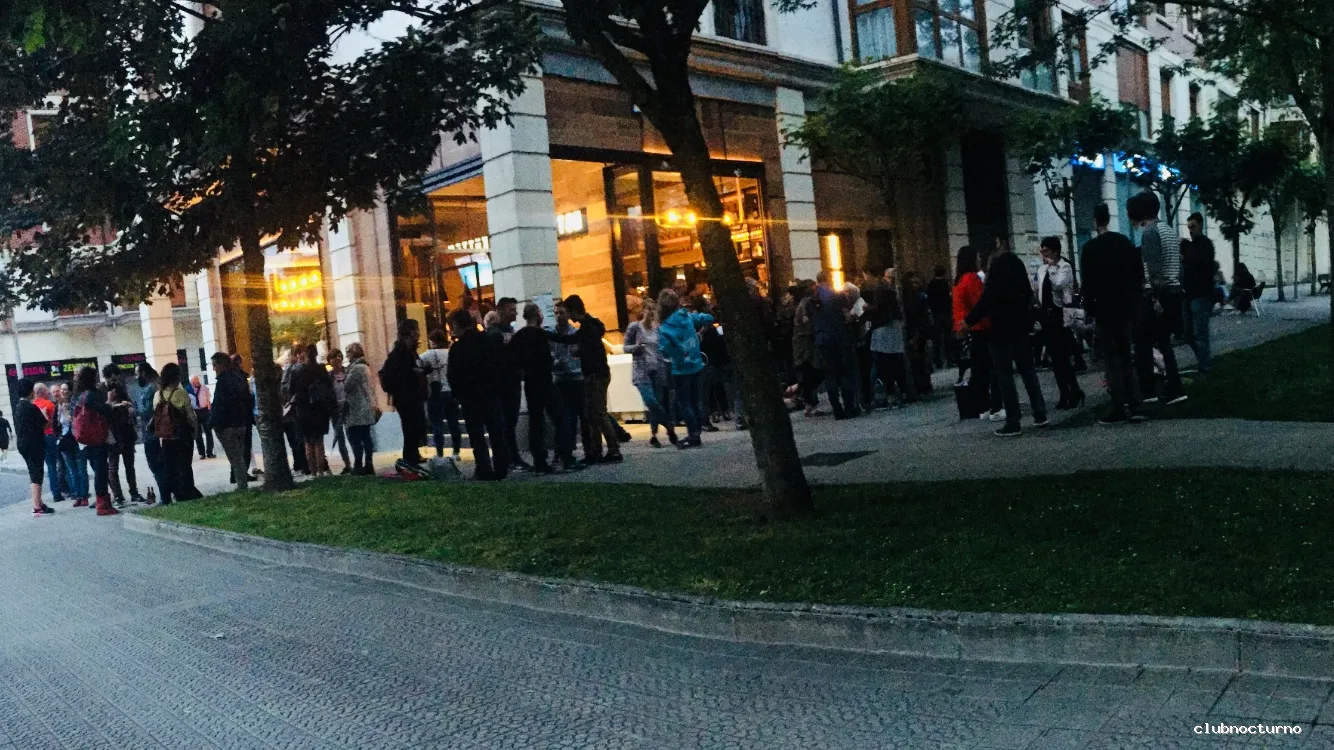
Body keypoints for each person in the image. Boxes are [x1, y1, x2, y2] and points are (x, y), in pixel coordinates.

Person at [963, 241, 1049, 436]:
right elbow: (1028, 296)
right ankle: (1040, 413)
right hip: (1019, 328)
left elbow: (985, 302)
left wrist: (967, 323)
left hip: (1000, 330)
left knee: (1005, 377)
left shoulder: (995, 275)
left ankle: (1013, 421)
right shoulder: (1017, 269)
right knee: (1028, 372)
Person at [1081, 203, 1146, 425]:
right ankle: (1136, 404)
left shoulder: (1090, 249)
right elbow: (1137, 273)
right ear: (1108, 219)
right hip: (1124, 307)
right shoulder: (1123, 243)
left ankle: (1119, 407)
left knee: (1111, 360)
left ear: (1094, 221)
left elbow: (1087, 284)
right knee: (1127, 356)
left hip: (1104, 309)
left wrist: (1090, 309)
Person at [1129, 191, 1187, 406]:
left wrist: (1153, 298)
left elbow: (1153, 270)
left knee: (1141, 339)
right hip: (1173, 290)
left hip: (1158, 293)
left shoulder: (1150, 233)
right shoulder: (1169, 230)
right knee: (1163, 340)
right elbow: (1178, 264)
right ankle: (1174, 387)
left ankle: (1148, 390)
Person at [548, 295, 622, 464]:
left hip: (595, 374)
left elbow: (576, 342)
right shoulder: (591, 325)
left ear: (574, 310)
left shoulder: (587, 327)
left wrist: (551, 337)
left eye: (568, 312)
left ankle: (613, 449)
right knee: (592, 414)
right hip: (595, 373)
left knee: (598, 412)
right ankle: (596, 450)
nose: (568, 317)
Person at [447, 309, 509, 480]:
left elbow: (453, 376)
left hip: (470, 398)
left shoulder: (457, 348)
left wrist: (459, 395)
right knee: (496, 432)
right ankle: (501, 467)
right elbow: (500, 366)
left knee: (477, 435)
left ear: (457, 325)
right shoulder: (488, 341)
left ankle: (484, 468)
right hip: (490, 393)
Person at [657, 288, 714, 449]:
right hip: (697, 364)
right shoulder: (687, 317)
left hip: (680, 368)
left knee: (685, 402)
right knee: (696, 400)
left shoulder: (665, 327)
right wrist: (699, 334)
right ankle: (698, 431)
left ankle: (693, 434)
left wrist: (678, 355)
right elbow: (708, 318)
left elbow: (664, 348)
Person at [1035, 237, 1084, 410]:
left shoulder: (1064, 267)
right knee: (1055, 359)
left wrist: (1052, 268)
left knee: (1063, 356)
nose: (1044, 255)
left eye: (1047, 251)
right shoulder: (1042, 269)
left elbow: (1058, 285)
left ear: (1055, 252)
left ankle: (1074, 391)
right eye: (1042, 251)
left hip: (1060, 315)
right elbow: (1038, 289)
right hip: (1046, 315)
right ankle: (1064, 392)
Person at [622, 299, 677, 447]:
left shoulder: (657, 329)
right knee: (651, 401)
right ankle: (669, 426)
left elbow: (661, 349)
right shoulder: (635, 327)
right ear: (643, 311)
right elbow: (625, 347)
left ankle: (654, 435)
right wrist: (636, 347)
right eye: (649, 310)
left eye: (654, 311)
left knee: (656, 403)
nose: (651, 314)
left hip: (657, 369)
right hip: (641, 371)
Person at [508, 302, 555, 472]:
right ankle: (563, 454)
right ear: (537, 314)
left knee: (536, 420)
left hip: (530, 381)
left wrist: (522, 371)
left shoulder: (519, 336)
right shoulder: (540, 334)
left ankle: (539, 458)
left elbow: (511, 358)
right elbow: (547, 358)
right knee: (558, 416)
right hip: (544, 380)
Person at [952, 246, 998, 420]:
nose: (980, 260)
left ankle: (982, 405)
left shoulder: (958, 280)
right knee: (986, 368)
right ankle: (988, 405)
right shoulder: (971, 278)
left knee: (978, 369)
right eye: (978, 257)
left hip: (965, 329)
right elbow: (980, 303)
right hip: (978, 327)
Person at [380, 318, 428, 467]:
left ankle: (413, 454)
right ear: (410, 332)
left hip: (412, 394)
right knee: (411, 426)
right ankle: (410, 457)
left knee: (415, 425)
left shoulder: (409, 351)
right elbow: (400, 373)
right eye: (416, 330)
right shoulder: (400, 353)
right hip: (405, 396)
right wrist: (415, 372)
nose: (418, 333)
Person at [812, 270, 860, 420]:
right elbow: (847, 316)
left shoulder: (812, 298)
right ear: (829, 279)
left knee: (830, 375)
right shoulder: (837, 296)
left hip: (822, 339)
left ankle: (837, 409)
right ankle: (849, 406)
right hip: (839, 337)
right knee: (844, 372)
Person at [71, 366, 117, 515]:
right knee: (101, 470)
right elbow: (103, 410)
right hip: (97, 436)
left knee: (98, 469)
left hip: (86, 437)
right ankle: (103, 504)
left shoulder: (79, 395)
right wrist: (109, 402)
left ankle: (102, 502)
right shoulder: (92, 394)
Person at [153, 362, 201, 504]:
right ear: (177, 377)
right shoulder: (181, 393)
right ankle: (187, 491)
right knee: (185, 465)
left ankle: (174, 493)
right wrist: (196, 430)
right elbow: (190, 416)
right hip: (182, 435)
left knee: (170, 466)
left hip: (166, 437)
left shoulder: (158, 395)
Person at [864, 267, 909, 407]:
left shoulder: (880, 288)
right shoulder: (892, 288)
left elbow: (879, 308)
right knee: (896, 362)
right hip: (893, 326)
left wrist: (868, 309)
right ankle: (902, 392)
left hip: (883, 328)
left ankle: (890, 395)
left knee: (885, 364)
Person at [548, 301, 585, 471]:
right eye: (556, 313)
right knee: (562, 418)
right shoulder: (551, 334)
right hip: (559, 379)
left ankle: (568, 450)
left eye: (561, 313)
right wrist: (555, 363)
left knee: (573, 417)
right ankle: (562, 452)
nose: (558, 316)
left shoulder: (574, 333)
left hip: (575, 378)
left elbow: (578, 353)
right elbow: (549, 354)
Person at [492, 296, 528, 471]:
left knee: (510, 421)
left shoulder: (511, 331)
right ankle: (510, 458)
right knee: (506, 422)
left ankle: (511, 457)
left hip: (512, 381)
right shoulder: (494, 333)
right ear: (501, 310)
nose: (515, 313)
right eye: (511, 310)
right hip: (502, 383)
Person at [209, 352, 254, 490]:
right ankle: (242, 481)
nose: (213, 369)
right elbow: (247, 399)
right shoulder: (238, 378)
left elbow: (221, 405)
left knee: (235, 457)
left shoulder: (223, 382)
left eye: (215, 365)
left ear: (222, 365)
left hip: (227, 424)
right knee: (239, 454)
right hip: (240, 422)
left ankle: (242, 484)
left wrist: (214, 422)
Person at [291, 343, 336, 477]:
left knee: (308, 442)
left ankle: (313, 472)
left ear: (305, 354)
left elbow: (292, 390)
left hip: (304, 410)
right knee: (318, 442)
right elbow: (329, 389)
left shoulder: (298, 371)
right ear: (316, 354)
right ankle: (321, 471)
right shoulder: (321, 370)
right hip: (319, 409)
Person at [1180, 212, 1217, 374]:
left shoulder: (1204, 244)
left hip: (1201, 295)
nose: (1190, 230)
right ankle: (1203, 360)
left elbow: (1199, 262)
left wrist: (1185, 247)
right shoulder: (1192, 246)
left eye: (1193, 226)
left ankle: (1205, 365)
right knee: (1188, 333)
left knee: (1200, 333)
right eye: (1189, 227)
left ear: (1200, 225)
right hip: (1189, 294)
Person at [102, 365, 143, 505]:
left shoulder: (120, 388)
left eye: (117, 379)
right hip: (112, 433)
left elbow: (130, 403)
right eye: (112, 379)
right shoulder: (101, 390)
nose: (115, 382)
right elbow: (102, 410)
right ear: (107, 377)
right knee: (113, 466)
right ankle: (118, 495)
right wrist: (109, 402)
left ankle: (134, 492)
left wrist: (129, 406)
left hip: (125, 430)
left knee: (129, 465)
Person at [420, 329, 462, 459]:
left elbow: (418, 368)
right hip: (451, 391)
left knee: (436, 423)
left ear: (432, 341)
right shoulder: (450, 353)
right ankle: (456, 451)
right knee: (453, 422)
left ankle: (439, 452)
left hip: (435, 391)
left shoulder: (426, 355)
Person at [15, 380, 54, 517]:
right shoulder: (31, 407)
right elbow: (46, 424)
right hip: (34, 444)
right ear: (31, 391)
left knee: (33, 470)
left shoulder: (18, 406)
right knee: (36, 473)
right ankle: (37, 506)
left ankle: (39, 503)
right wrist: (44, 414)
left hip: (22, 443)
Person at [343, 342, 378, 475]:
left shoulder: (356, 368)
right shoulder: (365, 366)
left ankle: (359, 464)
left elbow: (347, 385)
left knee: (355, 437)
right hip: (365, 406)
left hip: (357, 408)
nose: (346, 355)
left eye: (348, 352)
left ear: (354, 353)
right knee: (366, 436)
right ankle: (368, 463)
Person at [135, 363, 169, 498]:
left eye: (137, 373)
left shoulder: (151, 388)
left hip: (152, 431)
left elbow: (147, 411)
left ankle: (165, 495)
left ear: (143, 373)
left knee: (155, 464)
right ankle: (168, 493)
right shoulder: (158, 385)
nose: (136, 377)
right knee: (162, 463)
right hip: (159, 431)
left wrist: (133, 409)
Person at [791, 280, 824, 417]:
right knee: (814, 372)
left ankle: (808, 402)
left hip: (803, 344)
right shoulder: (805, 304)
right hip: (806, 345)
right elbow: (806, 322)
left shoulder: (802, 303)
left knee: (809, 373)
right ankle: (805, 397)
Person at [56, 383, 89, 506]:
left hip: (77, 440)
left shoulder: (75, 403)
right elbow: (56, 423)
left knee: (81, 469)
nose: (63, 391)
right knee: (71, 470)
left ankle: (84, 495)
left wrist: (65, 411)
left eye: (65, 389)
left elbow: (75, 421)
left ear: (70, 391)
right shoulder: (58, 405)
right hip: (64, 441)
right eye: (62, 389)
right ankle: (77, 495)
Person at [279, 351, 312, 475]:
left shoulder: (291, 371)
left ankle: (302, 464)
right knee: (302, 439)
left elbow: (286, 389)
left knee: (297, 439)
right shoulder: (303, 369)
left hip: (293, 409)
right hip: (300, 408)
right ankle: (307, 464)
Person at [33, 383, 64, 503]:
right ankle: (66, 489)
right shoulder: (49, 404)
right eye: (47, 391)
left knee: (50, 466)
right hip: (51, 436)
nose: (49, 393)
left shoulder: (33, 406)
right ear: (43, 392)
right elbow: (57, 421)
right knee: (61, 462)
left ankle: (55, 493)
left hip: (40, 438)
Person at [326, 349, 352, 473]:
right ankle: (347, 464)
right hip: (335, 409)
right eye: (333, 357)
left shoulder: (348, 372)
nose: (337, 359)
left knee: (351, 435)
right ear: (329, 361)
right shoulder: (328, 376)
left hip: (349, 407)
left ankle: (357, 461)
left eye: (339, 356)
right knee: (340, 437)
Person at [926, 265, 955, 368]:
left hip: (936, 313)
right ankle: (950, 359)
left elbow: (929, 299)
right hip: (945, 312)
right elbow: (949, 298)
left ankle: (938, 360)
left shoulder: (930, 284)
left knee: (937, 338)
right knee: (948, 337)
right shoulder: (945, 283)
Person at [189, 374, 215, 460]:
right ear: (191, 382)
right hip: (195, 412)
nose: (197, 381)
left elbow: (208, 398)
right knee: (197, 433)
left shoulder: (204, 388)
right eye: (195, 380)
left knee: (208, 432)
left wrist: (209, 409)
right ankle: (202, 453)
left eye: (197, 379)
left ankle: (210, 452)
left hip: (204, 411)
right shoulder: (187, 390)